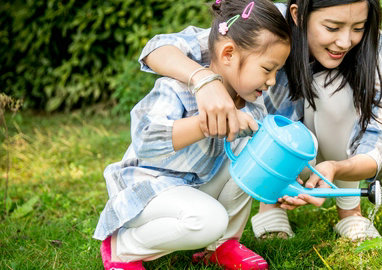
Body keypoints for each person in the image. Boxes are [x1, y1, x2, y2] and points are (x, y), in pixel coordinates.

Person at [139, 0, 382, 241]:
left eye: (358, 28)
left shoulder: (367, 41)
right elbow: (159, 48)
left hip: (312, 145)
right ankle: (270, 207)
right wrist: (203, 80)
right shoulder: (266, 25)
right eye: (332, 27)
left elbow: (372, 137)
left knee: (333, 90)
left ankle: (350, 213)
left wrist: (335, 168)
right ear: (298, 15)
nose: (345, 41)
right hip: (270, 142)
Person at [93, 1, 293, 269]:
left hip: (195, 184)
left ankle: (222, 245)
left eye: (277, 71)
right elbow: (145, 140)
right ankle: (123, 248)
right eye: (267, 69)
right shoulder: (176, 89)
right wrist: (204, 125)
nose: (272, 80)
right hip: (150, 189)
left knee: (252, 157)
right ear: (228, 54)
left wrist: (285, 185)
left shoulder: (252, 102)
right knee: (209, 220)